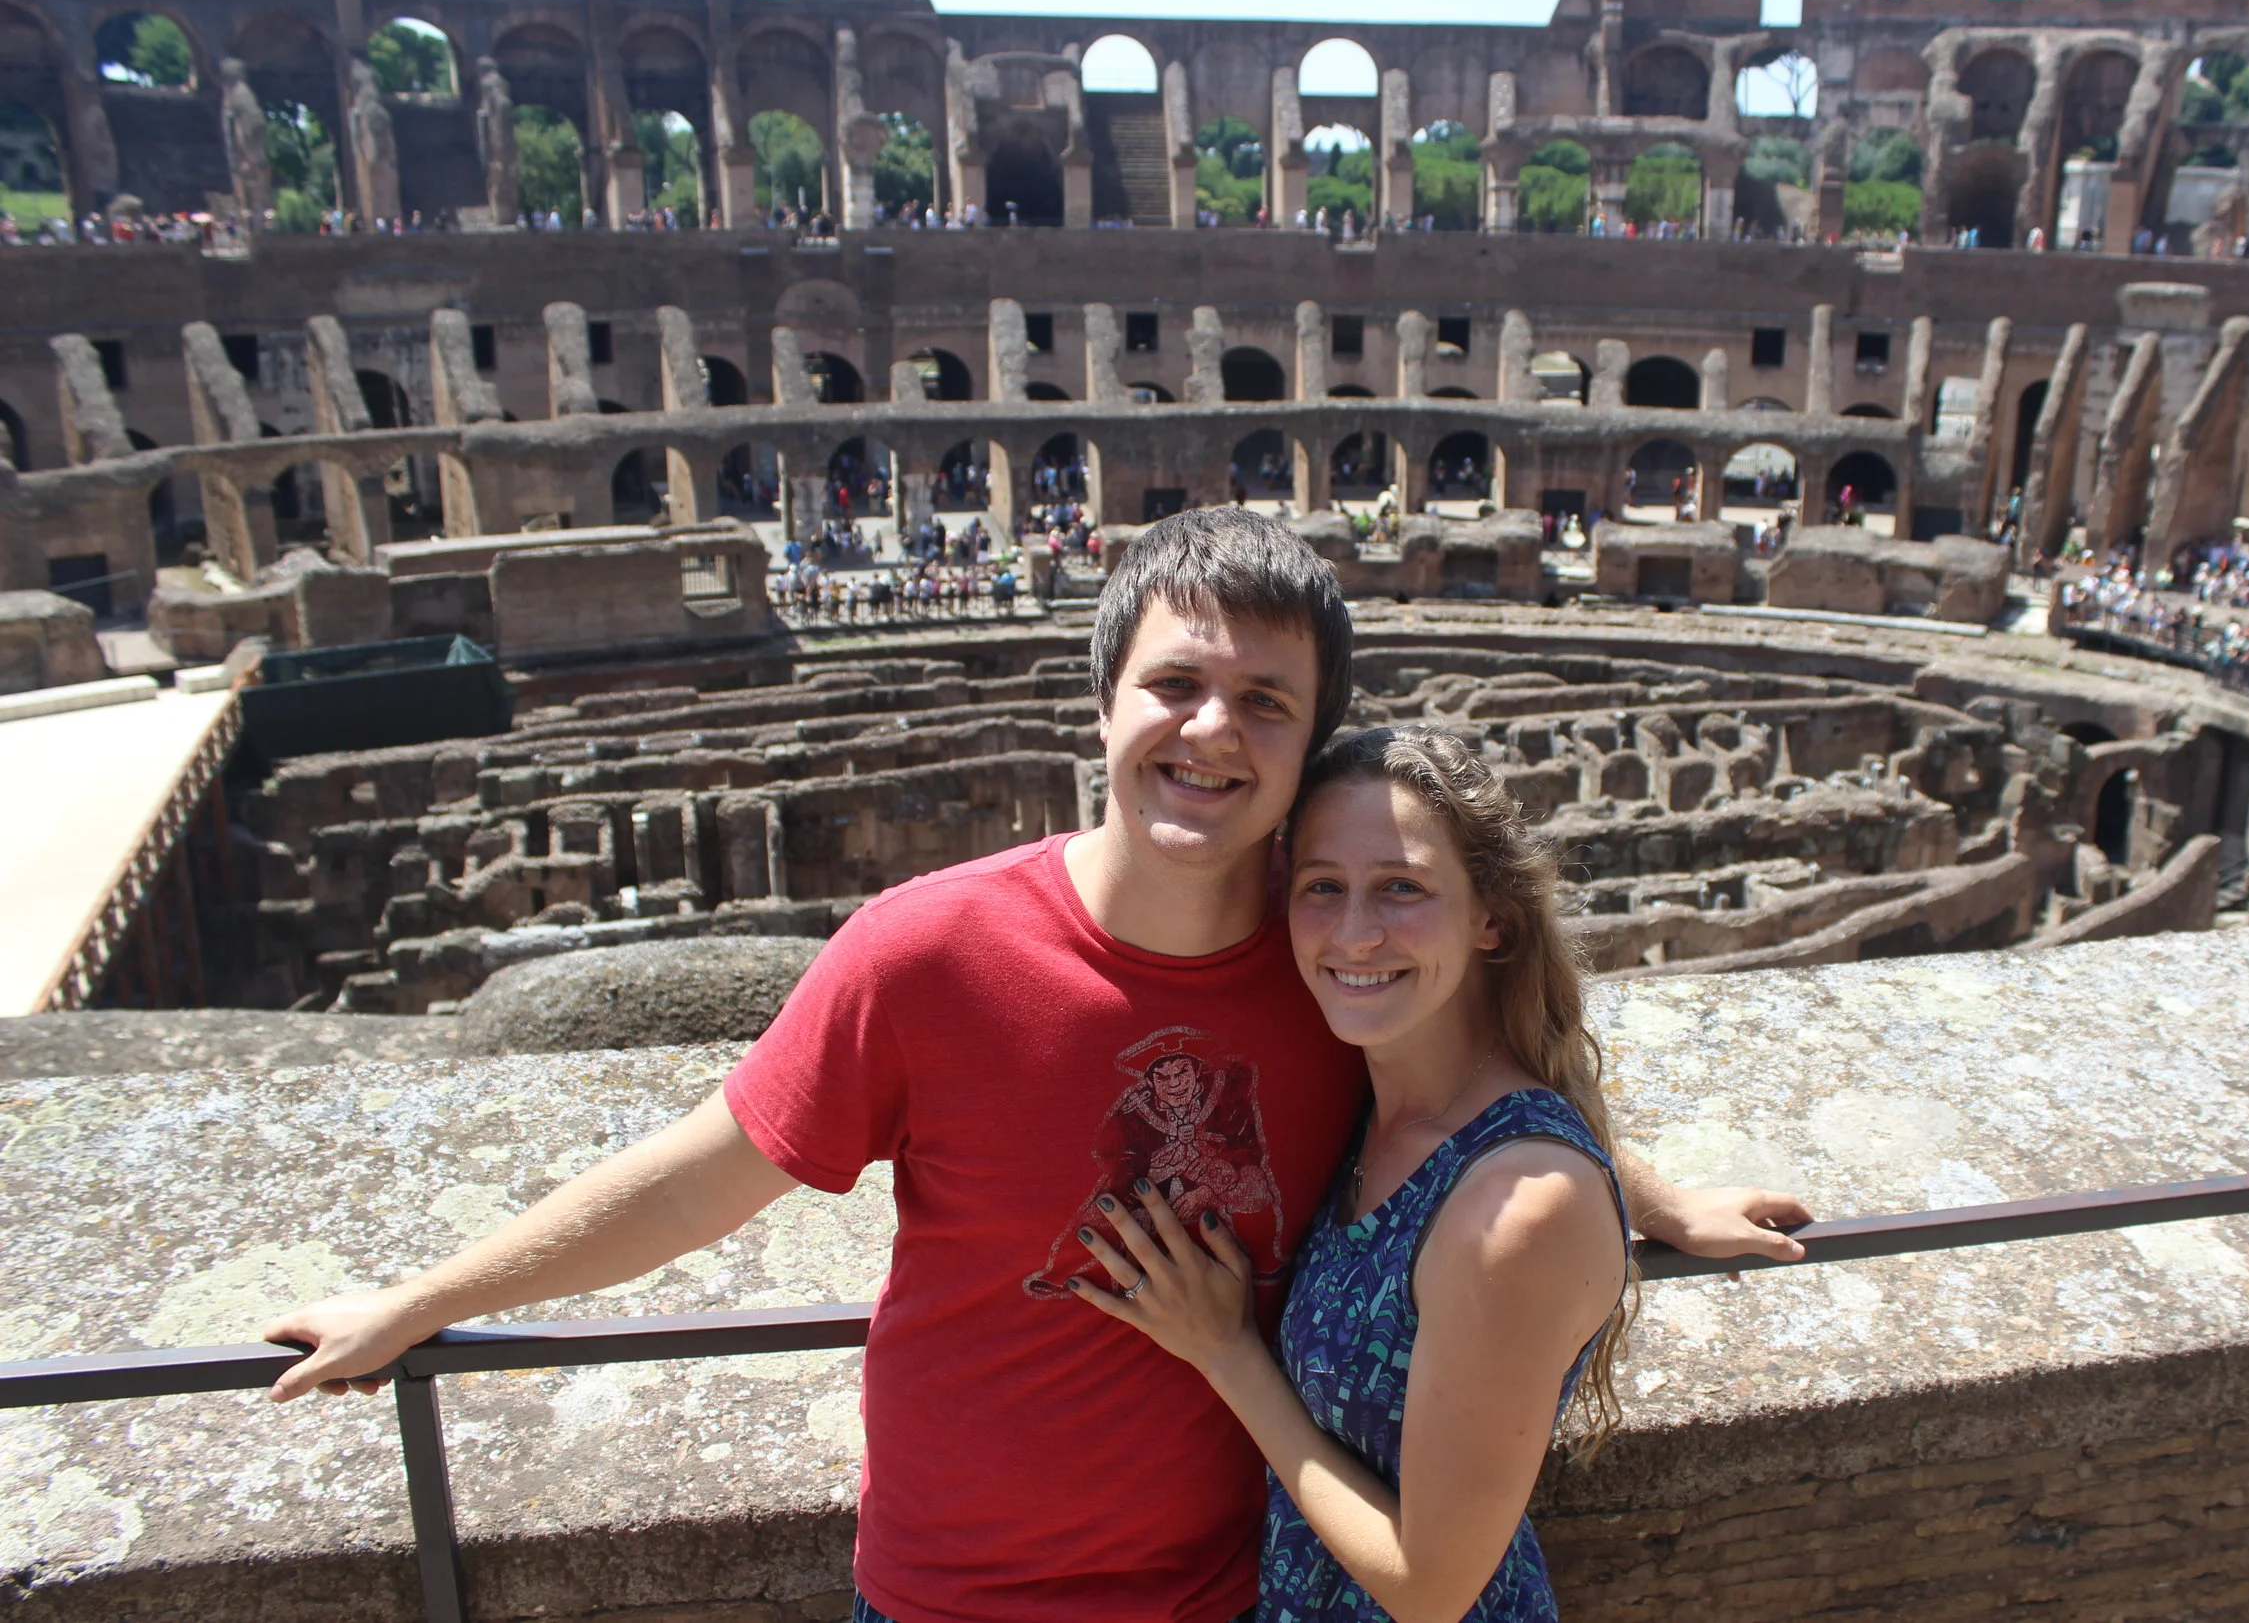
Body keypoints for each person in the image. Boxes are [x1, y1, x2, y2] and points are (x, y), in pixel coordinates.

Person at [259, 509, 1807, 1623]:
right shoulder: (924, 947)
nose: (1212, 729)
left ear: (1315, 734)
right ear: (1104, 701)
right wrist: (426, 1300)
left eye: (1267, 701)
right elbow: (709, 1170)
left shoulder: (1318, 955)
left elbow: (1461, 1092)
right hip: (954, 1595)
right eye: (1177, 685)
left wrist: (1641, 1197)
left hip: (1225, 1589)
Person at [1072, 724, 1636, 1620]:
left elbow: (1432, 1587)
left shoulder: (1521, 1206)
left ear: (1492, 914)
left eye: (1402, 887)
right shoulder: (1377, 1090)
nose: (1355, 933)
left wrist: (1227, 1353)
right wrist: (1660, 1197)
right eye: (1322, 887)